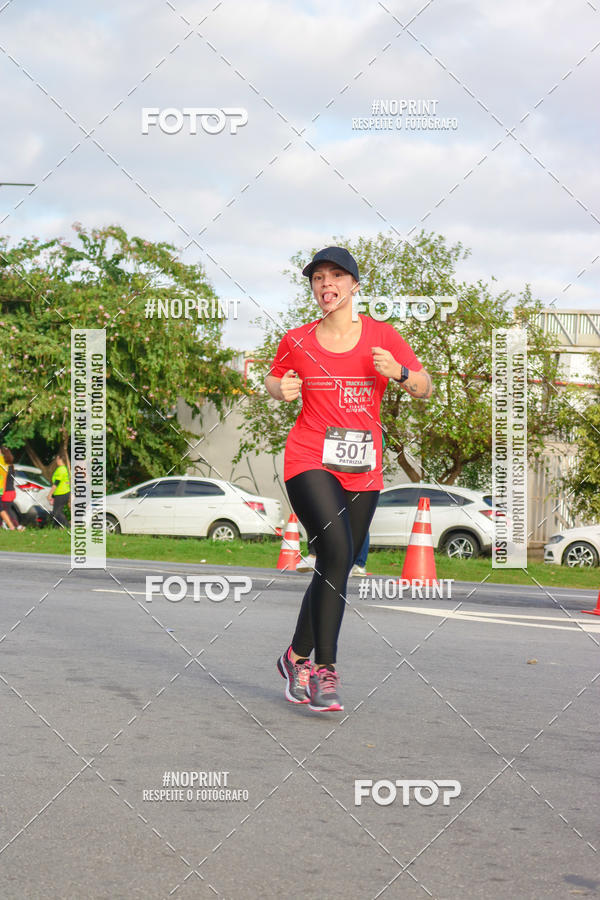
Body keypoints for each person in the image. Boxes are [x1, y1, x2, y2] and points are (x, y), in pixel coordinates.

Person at [266, 246, 432, 711]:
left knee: (334, 567)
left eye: (336, 275)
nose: (325, 284)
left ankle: (295, 656)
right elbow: (272, 379)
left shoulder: (382, 337)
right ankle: (326, 671)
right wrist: (282, 388)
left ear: (355, 285)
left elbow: (424, 386)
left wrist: (398, 373)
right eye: (318, 277)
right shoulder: (297, 340)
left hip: (363, 469)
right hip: (308, 458)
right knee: (336, 551)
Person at [0, 447, 24, 530]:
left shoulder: (5, 467)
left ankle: (18, 526)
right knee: (5, 510)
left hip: (6, 492)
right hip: (11, 491)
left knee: (6, 510)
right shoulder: (11, 466)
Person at [48, 452, 70, 528]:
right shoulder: (66, 469)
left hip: (61, 493)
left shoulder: (60, 470)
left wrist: (50, 494)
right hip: (65, 492)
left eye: (57, 459)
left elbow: (56, 483)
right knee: (57, 512)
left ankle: (68, 526)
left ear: (60, 459)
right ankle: (56, 527)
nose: (56, 460)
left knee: (56, 513)